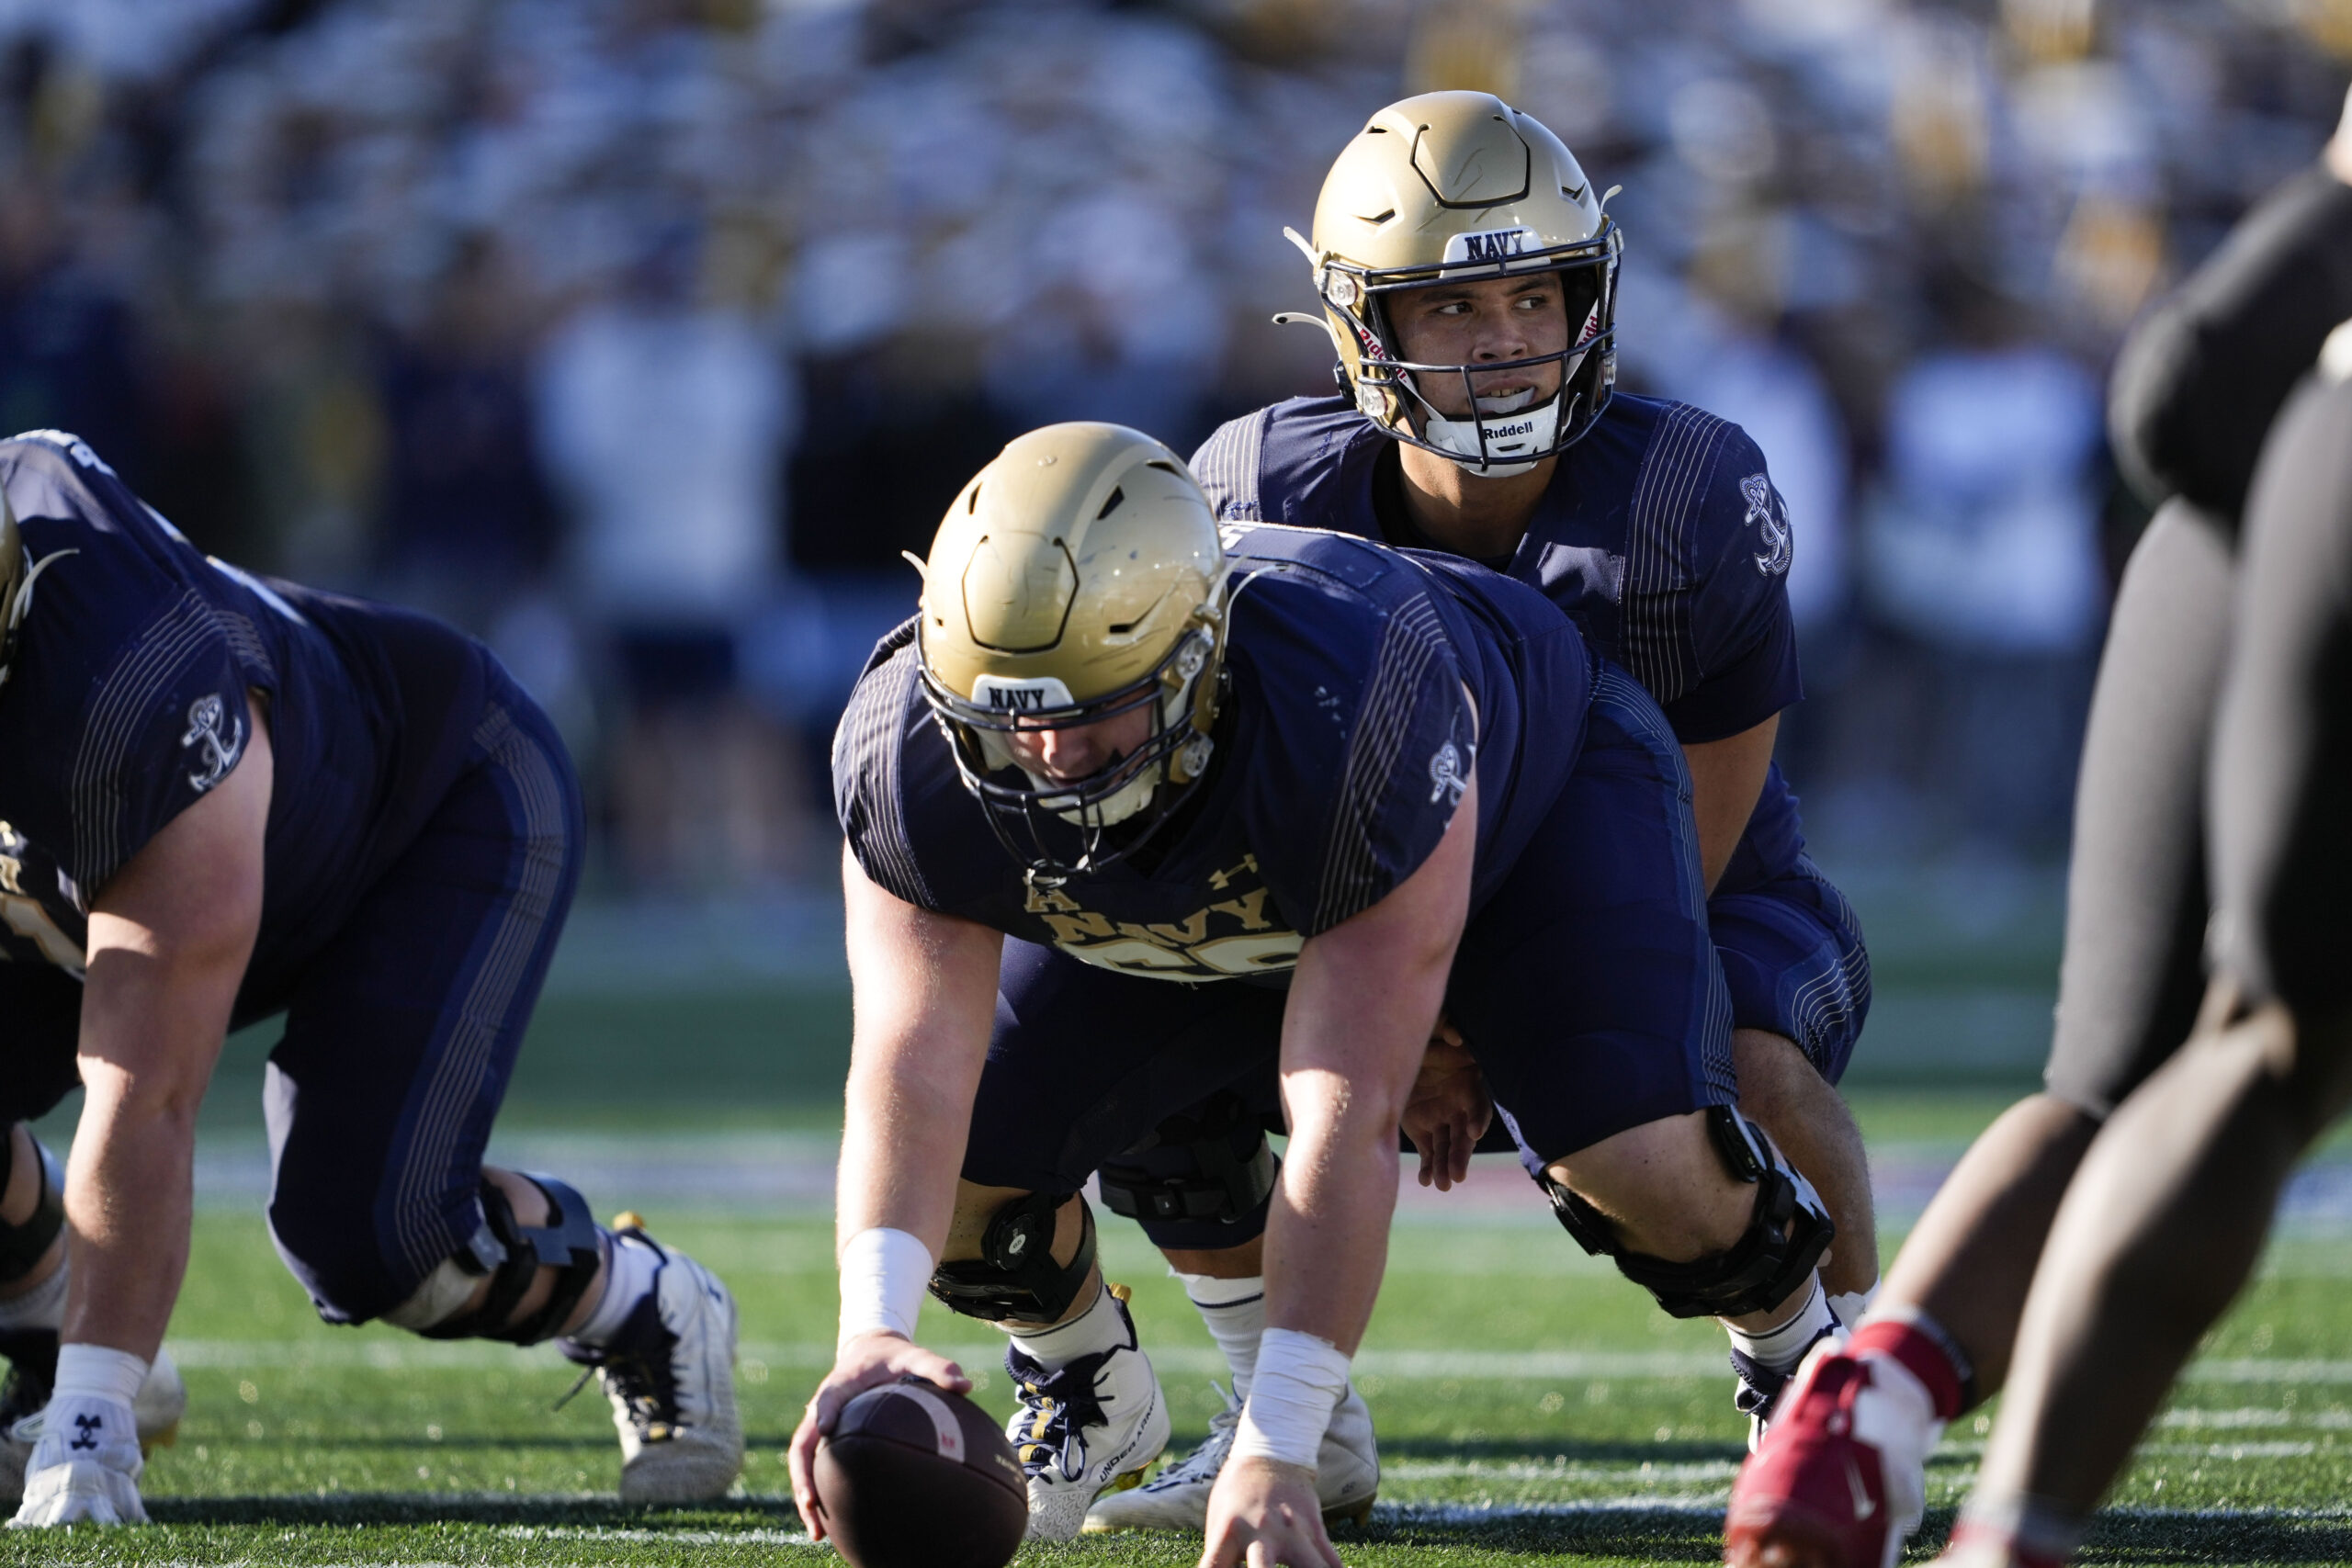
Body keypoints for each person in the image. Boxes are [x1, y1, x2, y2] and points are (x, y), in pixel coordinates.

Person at [790, 421, 1838, 1564]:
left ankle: (1802, 1368)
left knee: (1629, 1153)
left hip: (1534, 802)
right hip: (1235, 856)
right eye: (1010, 716)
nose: (1047, 755)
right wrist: (870, 1338)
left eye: (1090, 711)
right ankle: (1103, 1379)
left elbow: (1349, 1108)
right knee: (969, 1175)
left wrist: (1269, 1454)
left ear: (1198, 654)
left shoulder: (1347, 708)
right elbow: (908, 1059)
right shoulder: (907, 743)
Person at [1089, 90, 1876, 1533]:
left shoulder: (1691, 494)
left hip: (1694, 892)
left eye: (1535, 291)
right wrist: (1400, 1011)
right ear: (1357, 323)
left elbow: (1682, 853)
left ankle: (1842, 1382)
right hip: (1352, 913)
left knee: (1746, 1069)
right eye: (1451, 306)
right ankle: (1286, 1407)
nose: (1507, 335)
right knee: (1137, 1043)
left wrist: (1457, 1026)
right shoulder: (1260, 488)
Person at [1724, 96, 2352, 1568]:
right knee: (2272, 1052)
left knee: (2111, 1078)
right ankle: (2011, 1533)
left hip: (2265, 449)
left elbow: (2201, 369)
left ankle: (1862, 1404)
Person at [0, 429, 742, 1526]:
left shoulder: (132, 694)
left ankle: (639, 1299)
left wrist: (91, 1424)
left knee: (375, 1234)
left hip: (421, 811)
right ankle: (52, 1313)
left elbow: (145, 1092)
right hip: (109, 859)